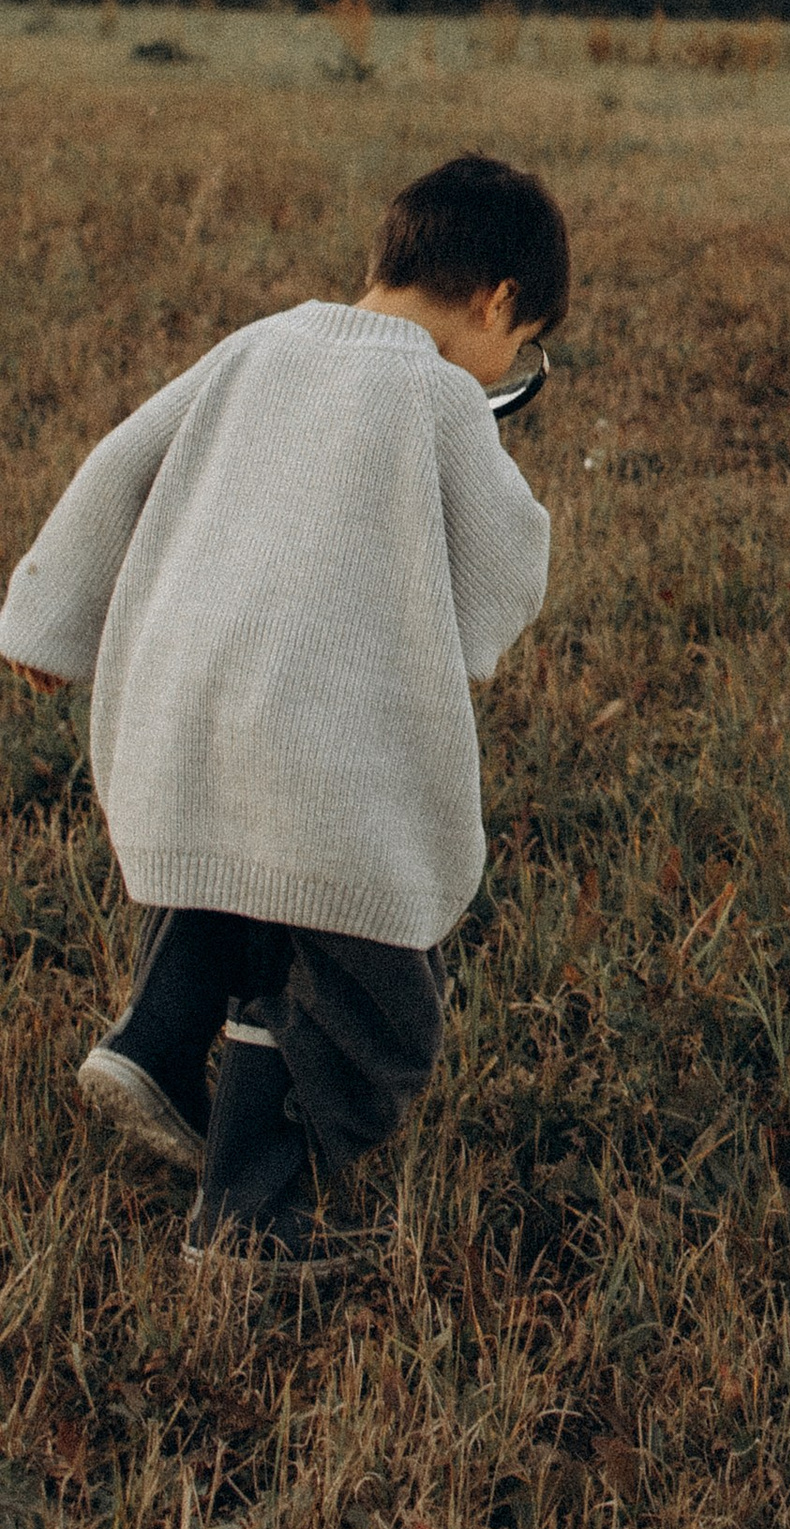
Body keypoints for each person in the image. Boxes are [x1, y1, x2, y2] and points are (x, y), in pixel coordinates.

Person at [0, 150, 559, 1259]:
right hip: (324, 748)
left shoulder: (254, 345)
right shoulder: (443, 397)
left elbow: (119, 465)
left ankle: (160, 1047)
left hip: (183, 704)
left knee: (237, 888)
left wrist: (44, 623)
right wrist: (468, 618)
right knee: (373, 1004)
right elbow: (504, 570)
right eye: (525, 344)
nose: (513, 364)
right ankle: (247, 1216)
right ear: (498, 302)